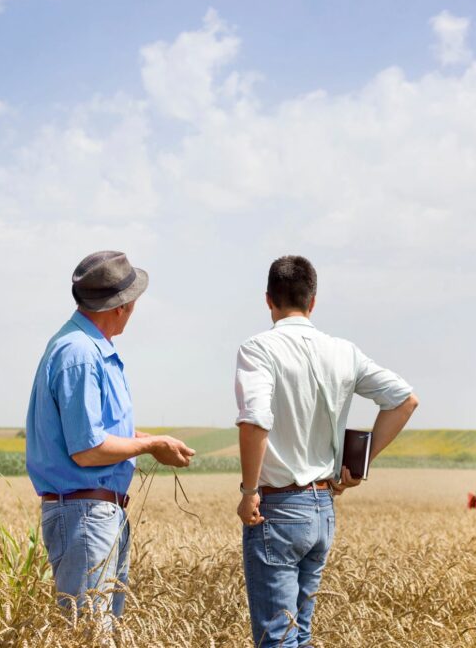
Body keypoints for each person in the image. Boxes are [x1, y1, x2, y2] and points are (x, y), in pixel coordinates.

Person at [235, 255, 419, 648]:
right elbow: (404, 401)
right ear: (313, 301)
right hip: (322, 509)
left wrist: (249, 491)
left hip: (279, 508)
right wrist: (359, 463)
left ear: (268, 300)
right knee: (299, 636)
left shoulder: (258, 349)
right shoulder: (344, 352)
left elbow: (253, 419)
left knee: (277, 639)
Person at [26, 250, 196, 622]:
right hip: (85, 514)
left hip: (93, 512)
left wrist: (144, 439)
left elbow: (93, 431)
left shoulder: (82, 348)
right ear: (120, 306)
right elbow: (88, 449)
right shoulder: (82, 355)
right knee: (90, 632)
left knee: (99, 629)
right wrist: (151, 445)